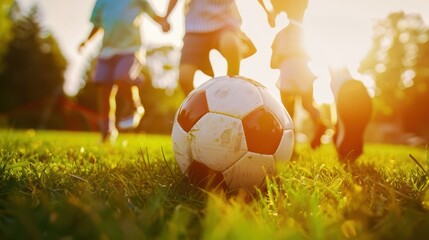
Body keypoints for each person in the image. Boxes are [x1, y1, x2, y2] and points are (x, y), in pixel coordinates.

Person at [78, 0, 169, 143]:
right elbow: (97, 25)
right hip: (107, 51)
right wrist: (86, 41)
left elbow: (152, 13)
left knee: (122, 77)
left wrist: (163, 22)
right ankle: (107, 131)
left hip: (131, 49)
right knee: (104, 92)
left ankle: (135, 106)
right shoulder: (101, 2)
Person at [162, 0, 263, 96]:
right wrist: (166, 17)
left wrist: (267, 10)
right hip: (195, 26)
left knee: (230, 45)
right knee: (185, 78)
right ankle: (197, 109)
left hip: (224, 22)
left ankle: (231, 89)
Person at [264, 0, 327, 149]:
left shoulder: (281, 36)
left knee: (288, 112)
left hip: (288, 75)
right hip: (304, 73)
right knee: (308, 105)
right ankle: (320, 123)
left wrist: (284, 56)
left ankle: (290, 144)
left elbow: (272, 63)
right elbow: (314, 55)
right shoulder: (305, 32)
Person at [329, 66, 372, 163]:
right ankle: (345, 76)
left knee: (342, 130)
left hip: (342, 93)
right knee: (347, 130)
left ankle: (343, 150)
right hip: (350, 87)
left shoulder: (333, 83)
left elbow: (336, 106)